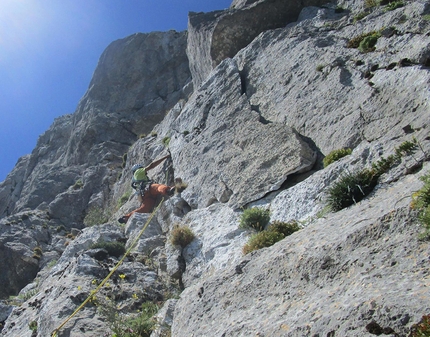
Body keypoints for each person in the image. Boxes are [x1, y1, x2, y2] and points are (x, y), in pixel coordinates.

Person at [118, 154, 174, 223]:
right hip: (148, 188)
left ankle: (126, 218)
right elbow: (152, 165)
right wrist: (165, 157)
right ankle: (168, 190)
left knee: (144, 209)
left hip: (145, 197)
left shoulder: (134, 181)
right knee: (158, 187)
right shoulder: (138, 171)